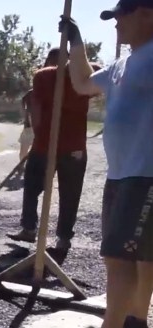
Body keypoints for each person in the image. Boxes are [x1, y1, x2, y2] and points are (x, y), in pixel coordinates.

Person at [61, 2, 153, 327]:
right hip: (120, 175)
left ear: (147, 13)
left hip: (145, 175)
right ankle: (134, 322)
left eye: (121, 15)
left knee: (121, 258)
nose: (116, 24)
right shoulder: (121, 64)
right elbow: (83, 83)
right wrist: (75, 41)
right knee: (130, 257)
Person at [7, 50, 102, 254]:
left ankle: (63, 237)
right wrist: (41, 135)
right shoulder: (44, 76)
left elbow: (98, 79)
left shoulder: (87, 74)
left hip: (70, 148)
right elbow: (37, 109)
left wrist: (76, 67)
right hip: (47, 146)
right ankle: (31, 228)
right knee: (33, 187)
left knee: (69, 194)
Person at [18, 89, 34, 172]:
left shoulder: (31, 93)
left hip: (35, 126)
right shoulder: (31, 93)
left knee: (25, 148)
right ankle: (22, 165)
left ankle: (22, 165)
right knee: (24, 148)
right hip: (30, 126)